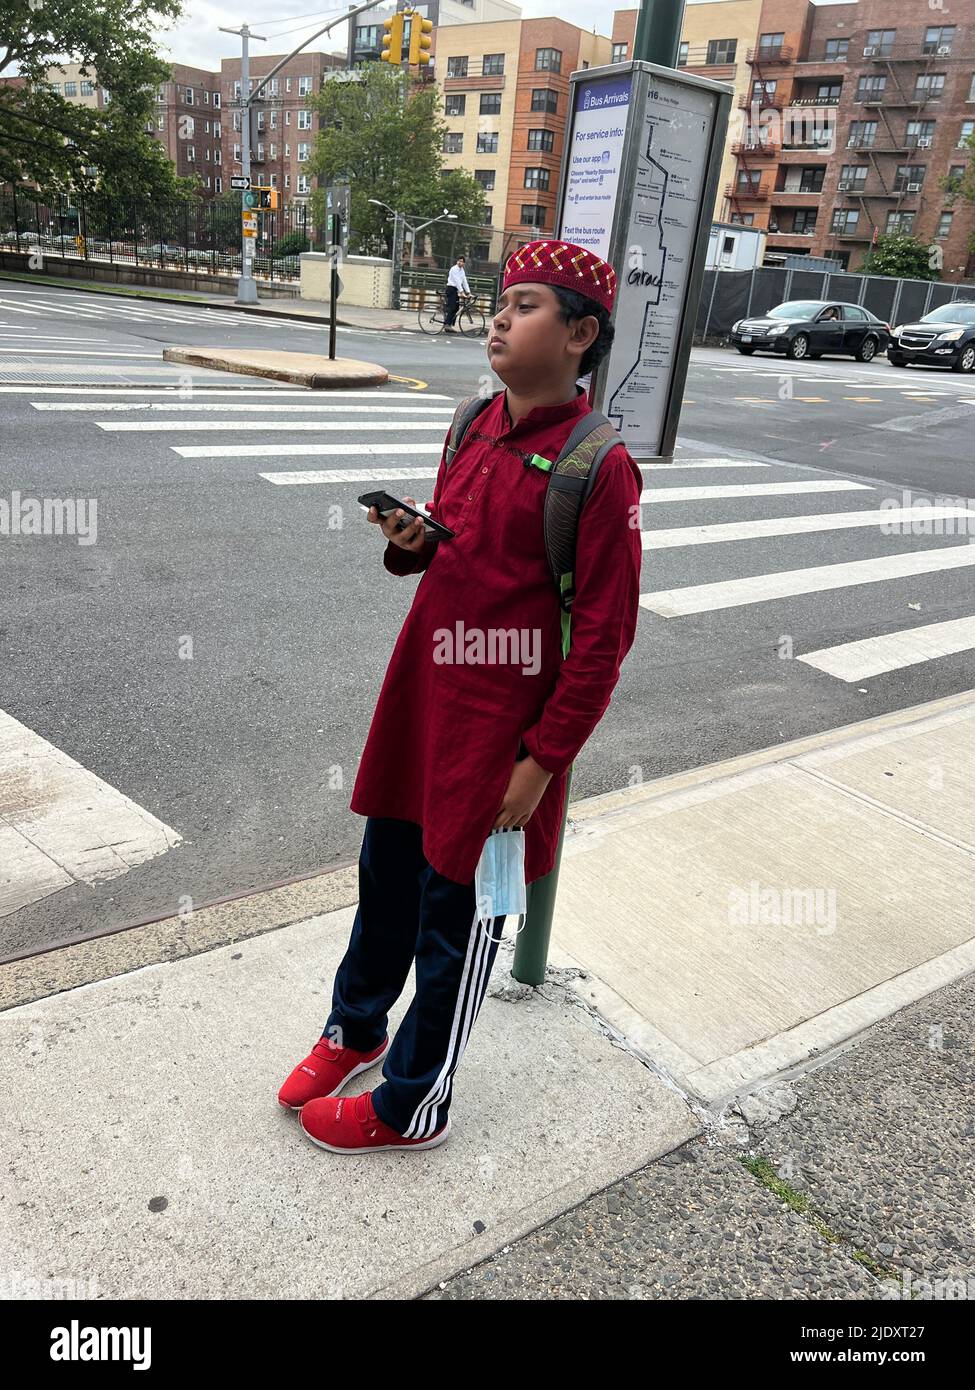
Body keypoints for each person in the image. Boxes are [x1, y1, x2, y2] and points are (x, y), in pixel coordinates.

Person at [278, 239, 644, 1154]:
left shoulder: (598, 466)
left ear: (579, 334)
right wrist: (408, 539)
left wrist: (542, 759)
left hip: (500, 734)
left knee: (457, 921)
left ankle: (413, 1104)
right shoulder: (470, 422)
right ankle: (356, 1026)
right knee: (384, 884)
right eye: (500, 299)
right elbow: (450, 552)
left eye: (524, 305)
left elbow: (603, 637)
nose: (497, 316)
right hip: (422, 701)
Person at [444, 254, 471, 330]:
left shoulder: (462, 271)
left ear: (464, 263)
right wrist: (462, 292)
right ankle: (447, 325)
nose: (460, 263)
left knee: (456, 308)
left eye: (462, 261)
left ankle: (450, 325)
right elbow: (457, 282)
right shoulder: (454, 269)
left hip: (455, 290)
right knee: (452, 307)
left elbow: (464, 281)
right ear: (457, 261)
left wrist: (468, 292)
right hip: (450, 289)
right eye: (459, 261)